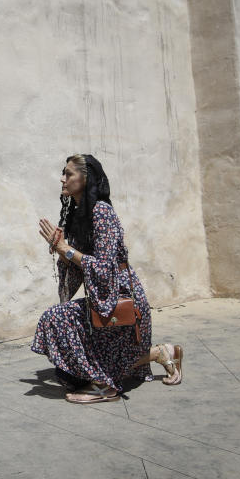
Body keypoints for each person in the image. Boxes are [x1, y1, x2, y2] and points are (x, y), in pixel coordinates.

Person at [31, 154, 183, 403]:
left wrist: (66, 250)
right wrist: (62, 251)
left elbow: (104, 268)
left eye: (68, 174)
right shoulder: (79, 214)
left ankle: (104, 387)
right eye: (64, 173)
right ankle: (161, 353)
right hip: (103, 297)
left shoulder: (102, 212)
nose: (63, 179)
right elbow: (80, 267)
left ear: (85, 177)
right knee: (68, 374)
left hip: (120, 298)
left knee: (55, 318)